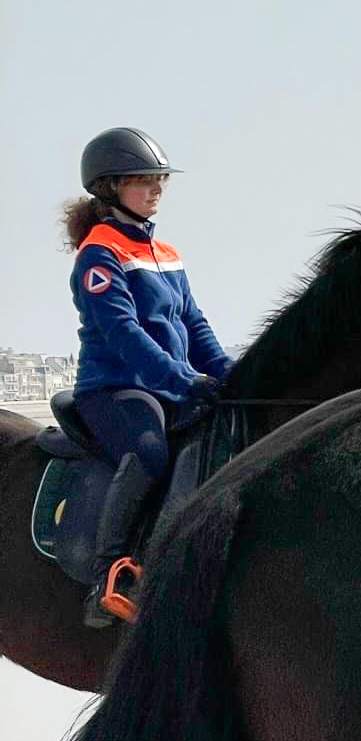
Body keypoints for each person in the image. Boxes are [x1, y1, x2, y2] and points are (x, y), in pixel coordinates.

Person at [63, 128, 233, 625]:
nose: (156, 189)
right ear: (111, 187)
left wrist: (232, 375)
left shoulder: (168, 253)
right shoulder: (99, 253)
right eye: (143, 181)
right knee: (151, 452)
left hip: (169, 385)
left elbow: (194, 325)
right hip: (115, 389)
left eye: (160, 180)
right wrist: (185, 380)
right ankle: (110, 576)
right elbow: (125, 335)